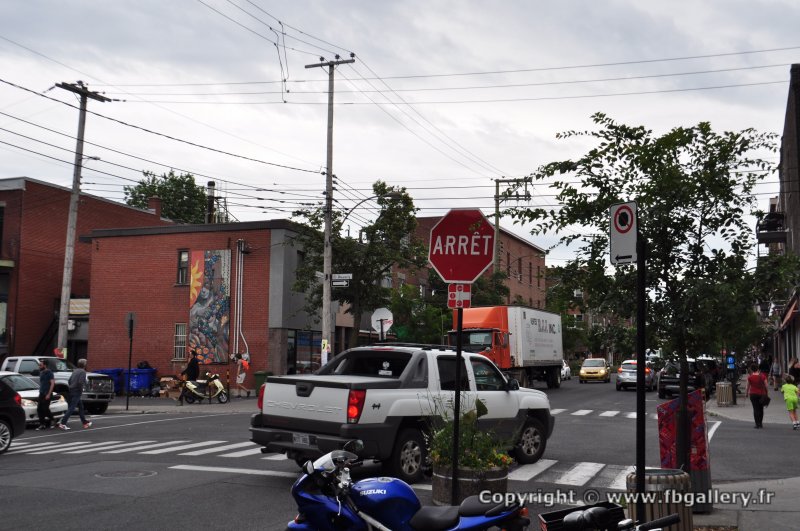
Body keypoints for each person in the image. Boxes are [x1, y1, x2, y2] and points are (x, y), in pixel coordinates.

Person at [57, 358, 92, 430]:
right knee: (71, 408)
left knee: (81, 407)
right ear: (84, 365)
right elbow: (80, 382)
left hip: (72, 390)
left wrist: (71, 387)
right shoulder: (82, 372)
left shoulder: (75, 371)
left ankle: (85, 422)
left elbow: (69, 380)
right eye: (86, 363)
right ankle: (63, 423)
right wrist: (81, 389)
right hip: (77, 391)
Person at [745, 363, 769, 429]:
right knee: (761, 409)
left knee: (755, 409)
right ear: (758, 369)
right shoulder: (762, 376)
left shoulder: (750, 377)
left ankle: (757, 424)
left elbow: (747, 386)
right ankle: (760, 423)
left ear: (752, 370)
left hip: (753, 394)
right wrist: (767, 393)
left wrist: (746, 393)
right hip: (762, 394)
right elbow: (766, 385)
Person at [36, 359, 56, 430]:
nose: (39, 366)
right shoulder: (41, 372)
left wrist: (48, 394)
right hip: (41, 393)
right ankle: (42, 424)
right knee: (39, 409)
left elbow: (52, 384)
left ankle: (53, 419)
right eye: (39, 365)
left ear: (45, 365)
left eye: (40, 365)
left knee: (45, 408)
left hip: (47, 393)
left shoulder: (50, 373)